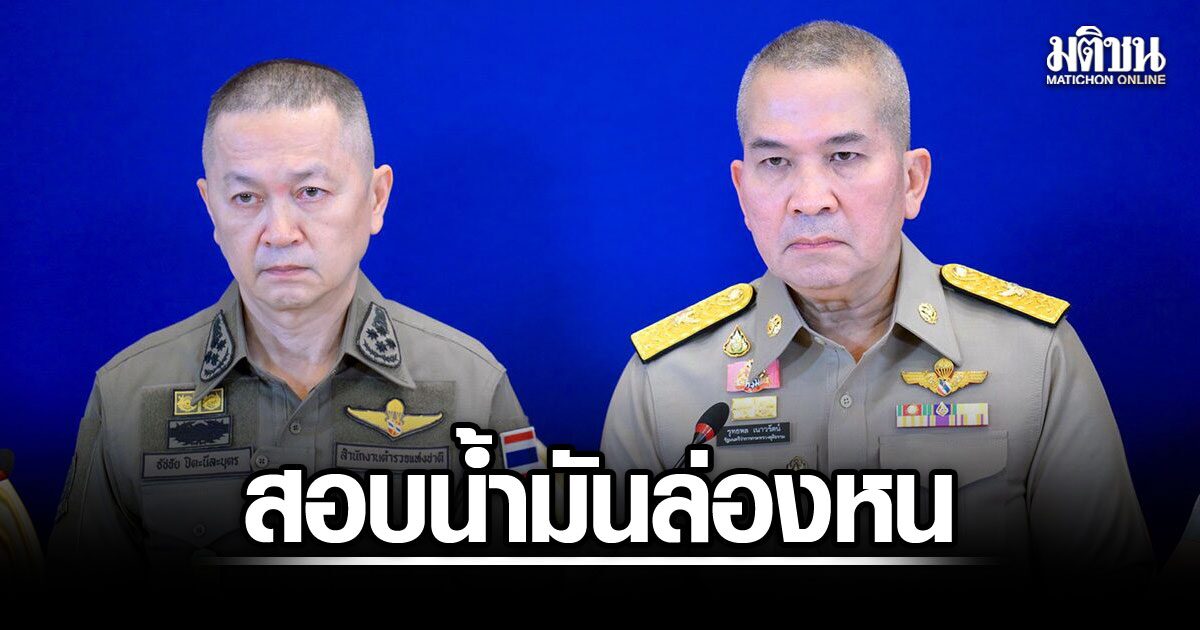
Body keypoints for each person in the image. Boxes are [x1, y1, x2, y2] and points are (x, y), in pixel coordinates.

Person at [601, 21, 1152, 574]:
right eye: (776, 162)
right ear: (743, 193)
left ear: (912, 181)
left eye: (843, 155)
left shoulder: (1034, 359)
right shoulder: (663, 385)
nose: (810, 199)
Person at [49, 60, 535, 574]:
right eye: (245, 197)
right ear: (211, 208)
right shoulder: (129, 394)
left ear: (375, 198)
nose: (280, 233)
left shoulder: (473, 387)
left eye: (310, 192)